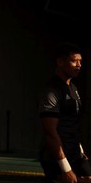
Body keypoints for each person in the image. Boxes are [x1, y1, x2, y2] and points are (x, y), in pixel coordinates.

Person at [38, 42, 91, 183]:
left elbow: (73, 122)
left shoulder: (73, 87)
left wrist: (80, 151)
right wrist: (65, 168)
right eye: (74, 61)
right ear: (60, 62)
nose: (79, 65)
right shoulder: (52, 90)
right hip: (58, 158)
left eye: (80, 61)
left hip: (75, 153)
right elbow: (50, 132)